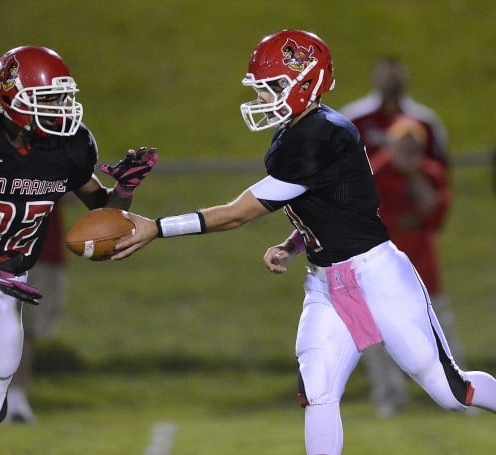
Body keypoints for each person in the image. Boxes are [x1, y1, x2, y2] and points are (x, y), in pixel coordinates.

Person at [112, 30, 496, 455]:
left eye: (272, 86)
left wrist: (157, 227)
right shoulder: (298, 133)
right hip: (327, 282)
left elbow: (239, 213)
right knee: (318, 390)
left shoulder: (323, 134)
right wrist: (295, 243)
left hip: (377, 276)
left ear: (307, 81)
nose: (262, 97)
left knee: (451, 391)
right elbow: (331, 206)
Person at [0, 45, 158, 455]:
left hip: (9, 284)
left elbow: (106, 216)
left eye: (62, 98)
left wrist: (124, 189)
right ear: (11, 97)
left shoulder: (66, 149)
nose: (60, 108)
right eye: (48, 99)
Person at [340, 57, 461, 416]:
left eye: (413, 146)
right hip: (378, 258)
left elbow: (437, 212)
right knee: (376, 331)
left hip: (419, 259)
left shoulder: (428, 170)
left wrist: (417, 183)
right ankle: (389, 398)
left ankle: (457, 392)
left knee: (438, 326)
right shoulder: (375, 169)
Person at [6, 202, 67, 424]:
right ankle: (6, 397)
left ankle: (14, 397)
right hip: (4, 247)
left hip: (35, 247)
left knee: (24, 328)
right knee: (11, 327)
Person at [340, 56, 448, 167]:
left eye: (395, 79)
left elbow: (438, 162)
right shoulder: (354, 118)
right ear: (375, 80)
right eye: (387, 78)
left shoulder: (424, 120)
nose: (391, 84)